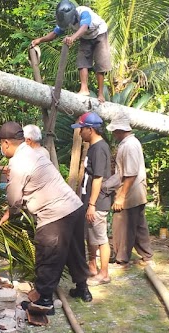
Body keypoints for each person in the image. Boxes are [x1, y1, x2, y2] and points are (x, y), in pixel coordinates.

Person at [0, 121, 92, 314]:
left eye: (0, 145)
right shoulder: (35, 153)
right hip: (74, 207)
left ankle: (45, 301)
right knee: (75, 251)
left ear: (6, 143)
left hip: (54, 214)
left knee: (48, 254)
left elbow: (14, 199)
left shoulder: (17, 162)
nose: (1, 148)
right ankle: (83, 289)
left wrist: (12, 213)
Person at [31, 1, 111, 103]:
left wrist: (73, 37)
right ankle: (84, 89)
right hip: (85, 37)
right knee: (82, 61)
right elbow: (55, 33)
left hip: (100, 33)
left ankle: (100, 95)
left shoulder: (84, 12)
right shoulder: (65, 20)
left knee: (100, 64)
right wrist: (40, 40)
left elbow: (84, 27)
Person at [107, 112, 154, 268]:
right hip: (136, 191)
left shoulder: (129, 146)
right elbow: (122, 173)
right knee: (139, 224)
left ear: (119, 130)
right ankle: (147, 256)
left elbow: (131, 174)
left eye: (114, 130)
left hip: (131, 191)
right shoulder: (130, 143)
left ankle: (122, 259)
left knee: (122, 225)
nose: (113, 133)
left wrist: (121, 196)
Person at [71, 112, 113, 285]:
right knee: (91, 236)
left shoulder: (100, 149)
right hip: (89, 200)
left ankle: (104, 274)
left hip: (98, 202)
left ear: (90, 129)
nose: (80, 133)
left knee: (100, 238)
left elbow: (98, 178)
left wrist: (92, 204)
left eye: (82, 129)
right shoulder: (93, 147)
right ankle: (92, 267)